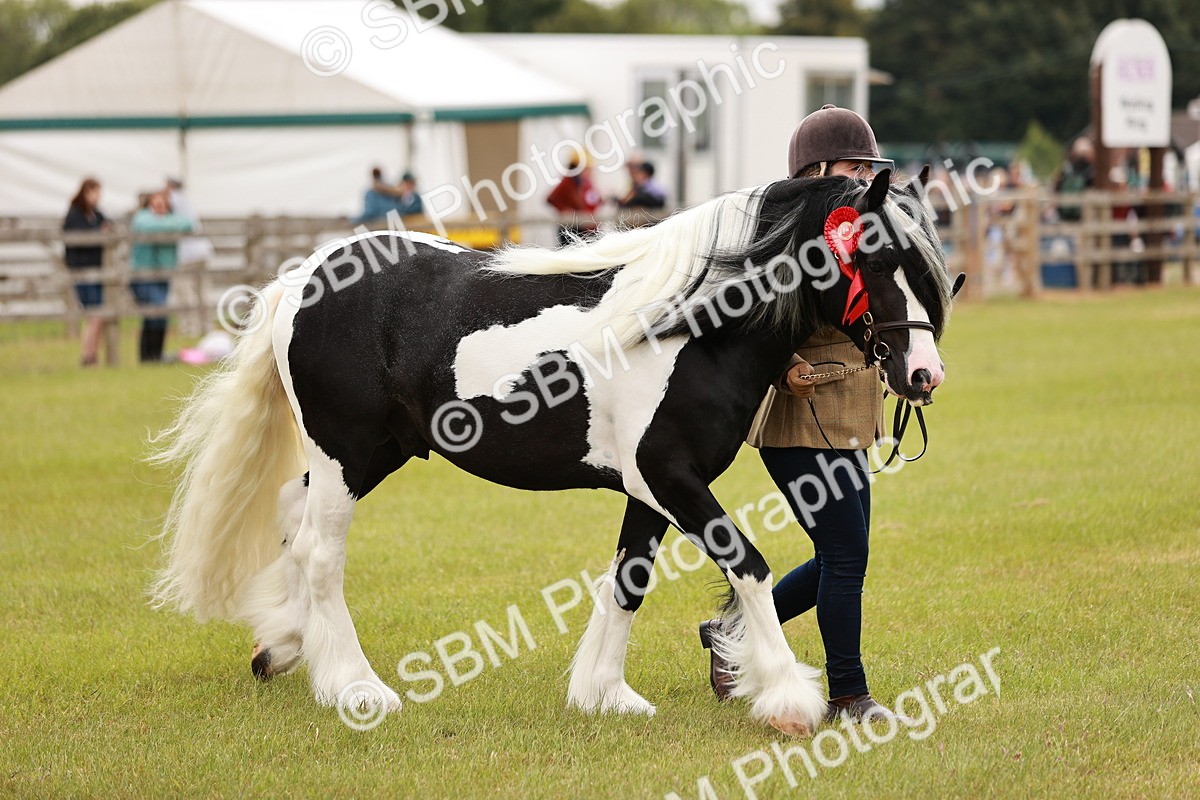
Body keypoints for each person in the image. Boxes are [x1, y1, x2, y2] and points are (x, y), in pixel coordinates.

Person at [699, 104, 905, 723]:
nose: (863, 175)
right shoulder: (786, 232)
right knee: (845, 555)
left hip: (852, 409)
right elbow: (752, 306)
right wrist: (786, 356)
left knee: (843, 554)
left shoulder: (861, 225)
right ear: (817, 169)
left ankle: (730, 628)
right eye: (853, 165)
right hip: (799, 412)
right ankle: (849, 693)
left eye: (868, 166)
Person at [130, 191, 193, 363]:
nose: (159, 208)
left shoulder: (172, 218)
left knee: (159, 314)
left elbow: (189, 224)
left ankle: (154, 355)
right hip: (143, 275)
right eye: (155, 205)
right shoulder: (141, 218)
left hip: (163, 275)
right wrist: (169, 223)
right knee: (154, 312)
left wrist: (165, 221)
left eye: (162, 205)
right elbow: (147, 227)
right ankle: (148, 356)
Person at [62, 178, 110, 366]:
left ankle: (91, 354)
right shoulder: (75, 214)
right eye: (94, 193)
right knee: (94, 314)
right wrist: (99, 233)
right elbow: (77, 238)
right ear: (85, 192)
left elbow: (108, 224)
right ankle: (88, 355)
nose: (97, 197)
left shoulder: (96, 214)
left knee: (98, 315)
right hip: (82, 271)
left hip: (97, 270)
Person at [546, 156, 601, 246]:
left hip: (585, 228)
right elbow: (551, 198)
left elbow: (593, 201)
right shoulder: (568, 181)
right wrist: (566, 210)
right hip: (571, 227)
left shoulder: (585, 183)